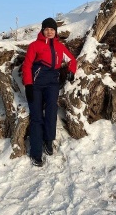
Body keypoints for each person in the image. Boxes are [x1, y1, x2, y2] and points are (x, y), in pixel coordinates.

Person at [22, 17, 77, 167]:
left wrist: (71, 71)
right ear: (42, 30)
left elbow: (72, 60)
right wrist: (28, 85)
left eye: (52, 29)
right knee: (37, 117)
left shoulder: (60, 47)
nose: (49, 32)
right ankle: (36, 152)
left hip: (52, 85)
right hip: (36, 86)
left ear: (55, 31)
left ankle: (48, 141)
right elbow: (27, 66)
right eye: (47, 29)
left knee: (51, 113)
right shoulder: (35, 46)